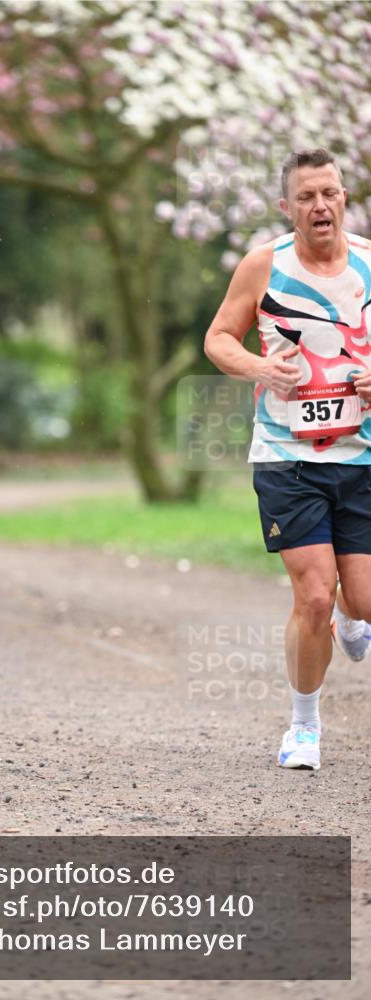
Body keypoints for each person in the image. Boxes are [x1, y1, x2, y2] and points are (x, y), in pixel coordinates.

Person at [204, 147, 370, 772]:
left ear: (344, 196)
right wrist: (259, 367)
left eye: (329, 193)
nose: (320, 205)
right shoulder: (263, 266)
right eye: (306, 197)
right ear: (286, 206)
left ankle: (357, 618)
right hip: (286, 457)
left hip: (363, 457)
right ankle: (305, 726)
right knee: (315, 596)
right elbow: (218, 336)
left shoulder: (369, 263)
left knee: (362, 600)